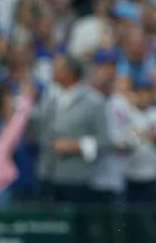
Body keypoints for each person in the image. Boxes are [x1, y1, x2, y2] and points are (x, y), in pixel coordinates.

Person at [31, 54, 112, 203]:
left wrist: (76, 145)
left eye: (58, 67)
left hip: (76, 179)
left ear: (70, 72)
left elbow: (104, 141)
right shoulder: (48, 98)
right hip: (47, 175)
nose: (53, 71)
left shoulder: (94, 102)